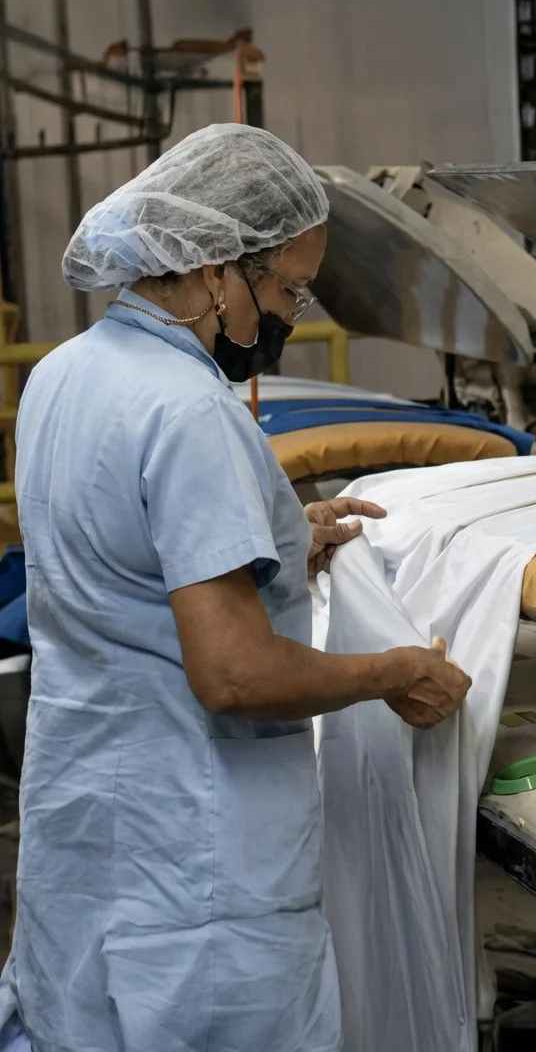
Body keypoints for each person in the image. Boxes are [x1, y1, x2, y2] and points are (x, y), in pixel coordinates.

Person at [0, 124, 471, 1052]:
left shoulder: (61, 375)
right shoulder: (192, 413)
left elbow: (119, 563)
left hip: (86, 845)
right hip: (195, 881)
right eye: (288, 290)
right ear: (217, 269)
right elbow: (234, 674)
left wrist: (279, 538)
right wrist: (395, 672)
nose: (290, 315)